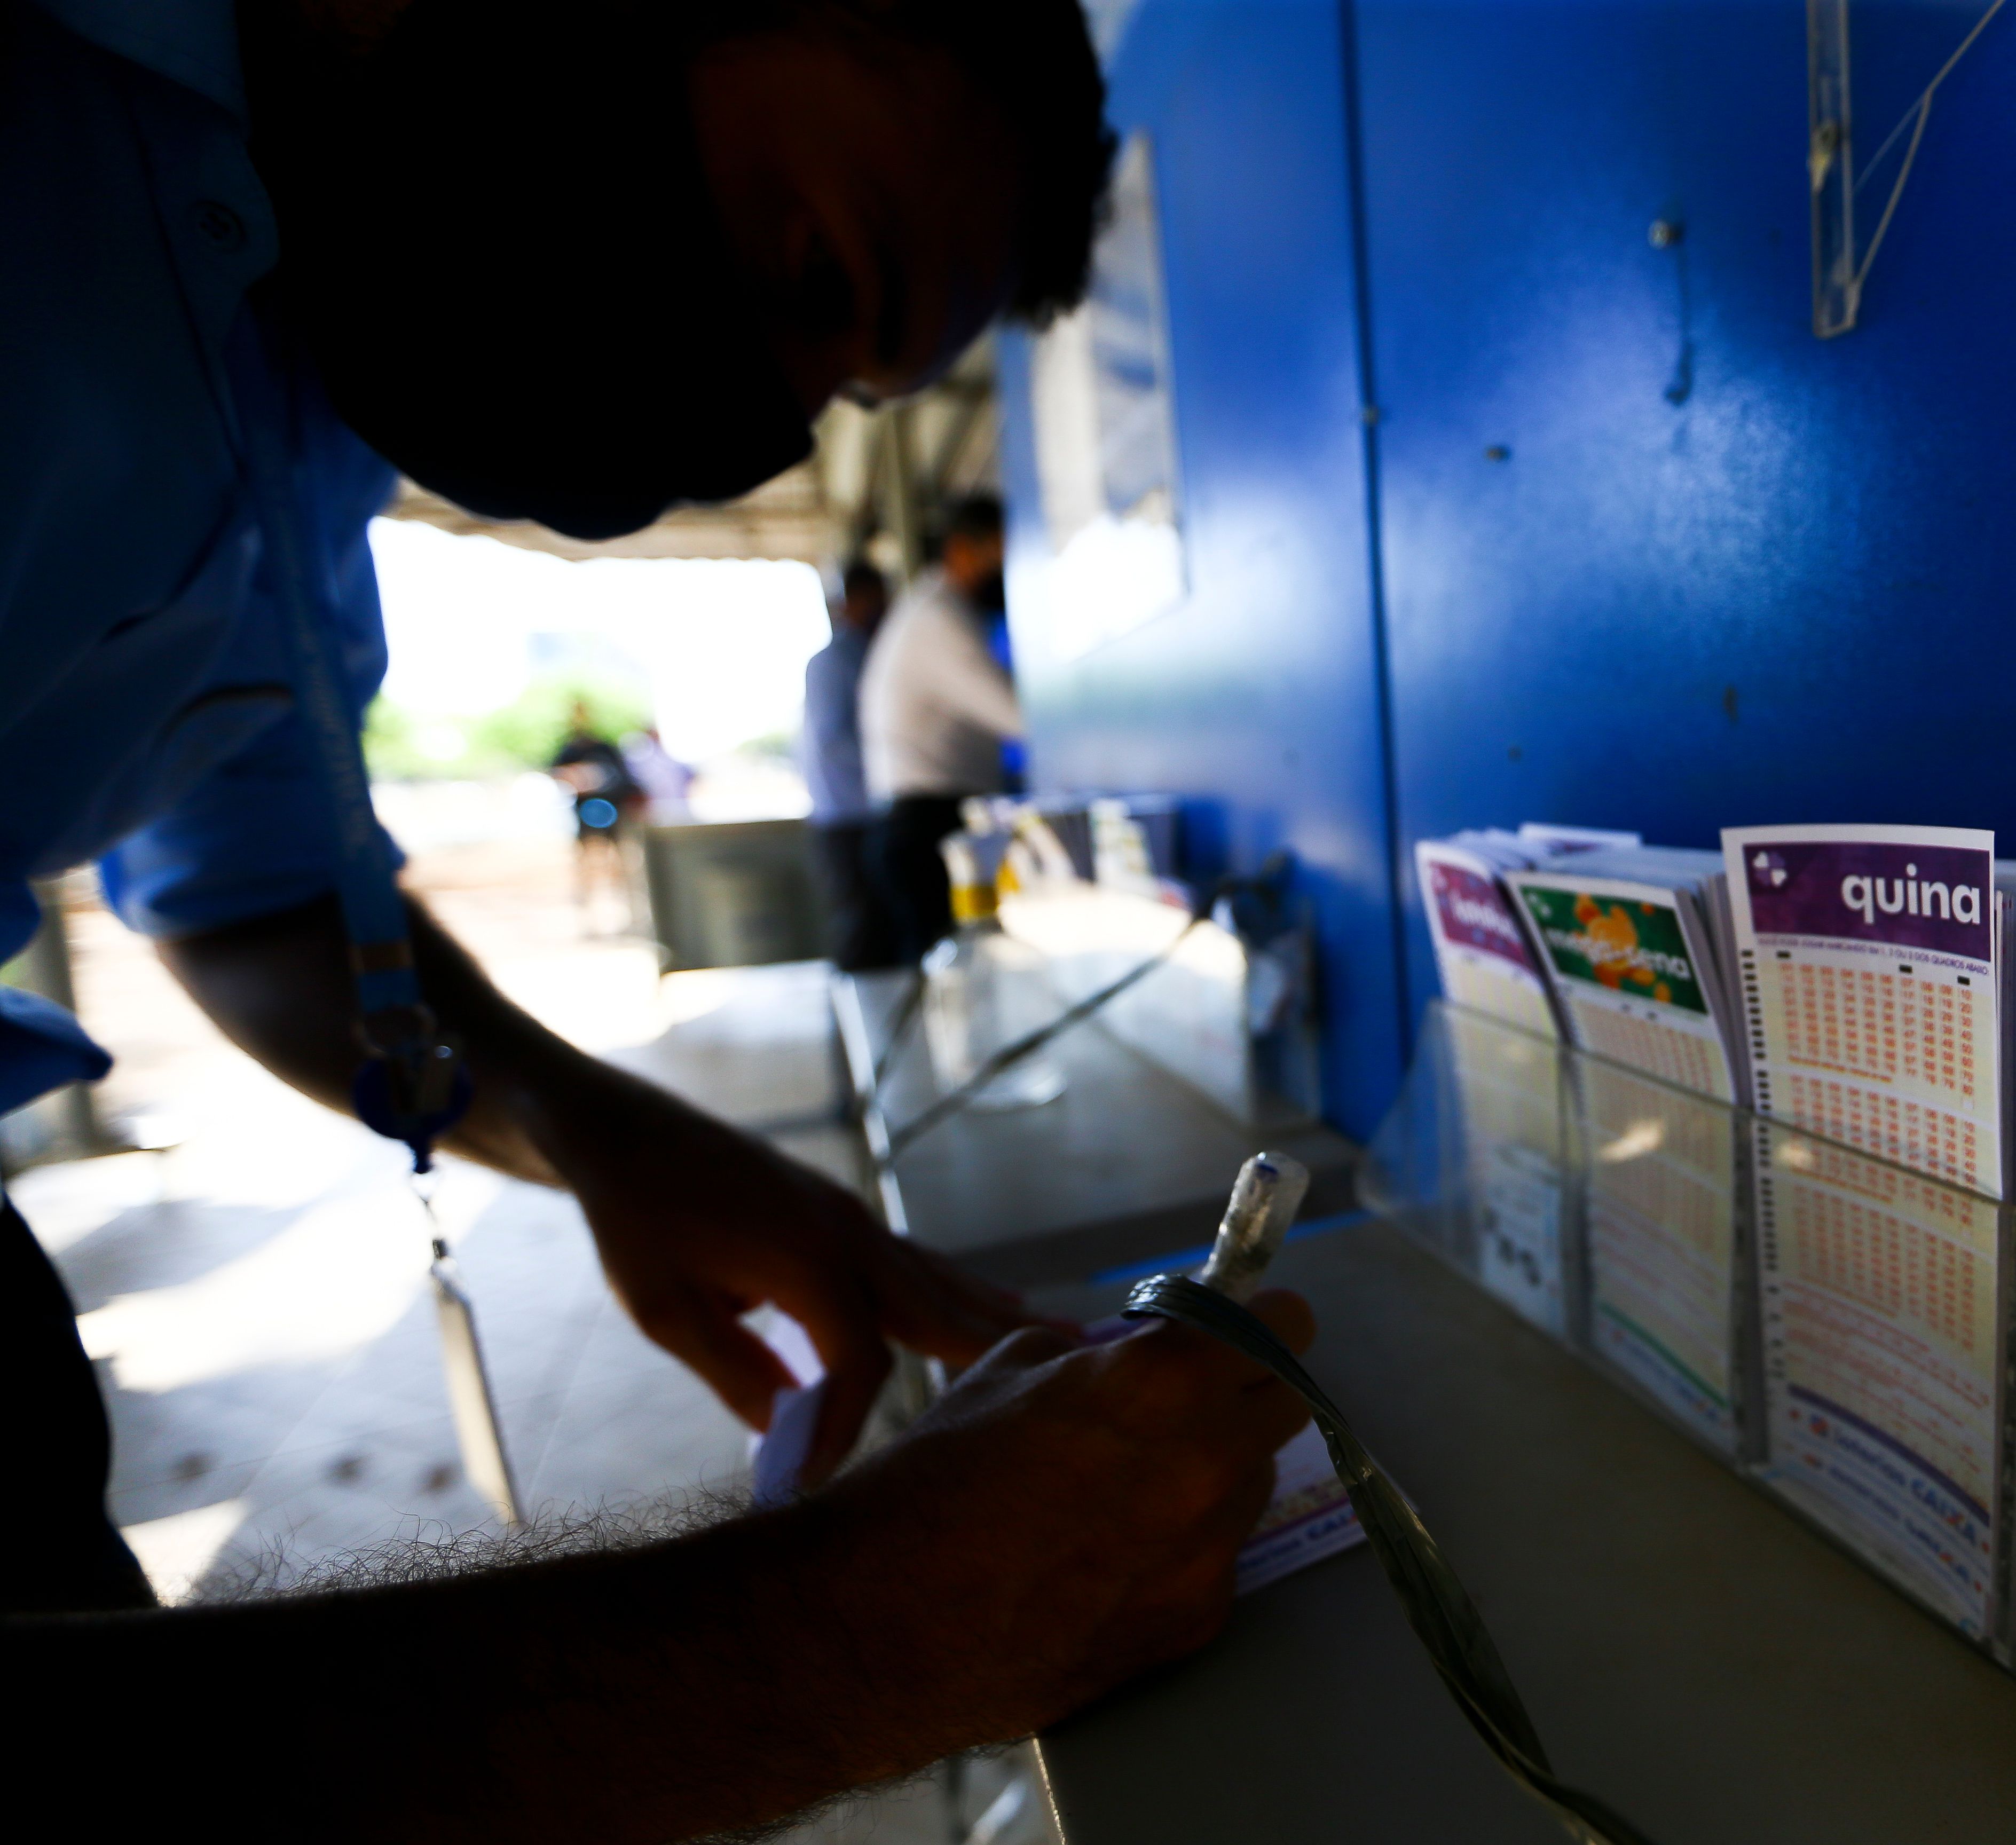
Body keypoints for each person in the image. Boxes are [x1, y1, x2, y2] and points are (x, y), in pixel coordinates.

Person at [0, 0, 1315, 1834]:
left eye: (829, 397)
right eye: (804, 262)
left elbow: (260, 896)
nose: (743, 424)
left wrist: (609, 1134)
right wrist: (840, 1634)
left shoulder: (293, 383)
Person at [863, 495, 1024, 960]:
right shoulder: (939, 619)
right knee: (956, 984)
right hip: (927, 829)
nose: (1004, 567)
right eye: (998, 553)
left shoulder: (940, 610)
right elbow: (1016, 717)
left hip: (927, 820)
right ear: (961, 549)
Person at [803, 559, 899, 969]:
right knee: (863, 932)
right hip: (850, 820)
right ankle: (858, 1030)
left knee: (876, 930)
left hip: (854, 817)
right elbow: (835, 741)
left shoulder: (860, 653)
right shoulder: (838, 659)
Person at [548, 699, 645, 926]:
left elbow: (626, 778)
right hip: (585, 816)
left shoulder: (605, 747)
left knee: (621, 866)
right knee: (587, 866)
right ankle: (590, 919)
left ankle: (630, 915)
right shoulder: (568, 750)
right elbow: (556, 774)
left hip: (614, 816)